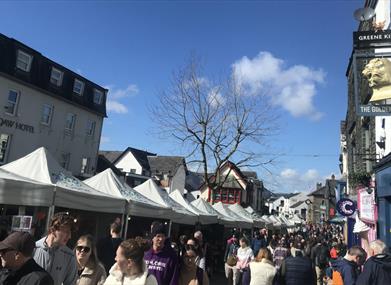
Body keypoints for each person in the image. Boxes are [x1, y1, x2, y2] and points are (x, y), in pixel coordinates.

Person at [33, 212, 78, 285]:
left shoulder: (70, 256)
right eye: (66, 232)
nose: (69, 236)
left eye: (70, 232)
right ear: (53, 230)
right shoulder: (33, 249)